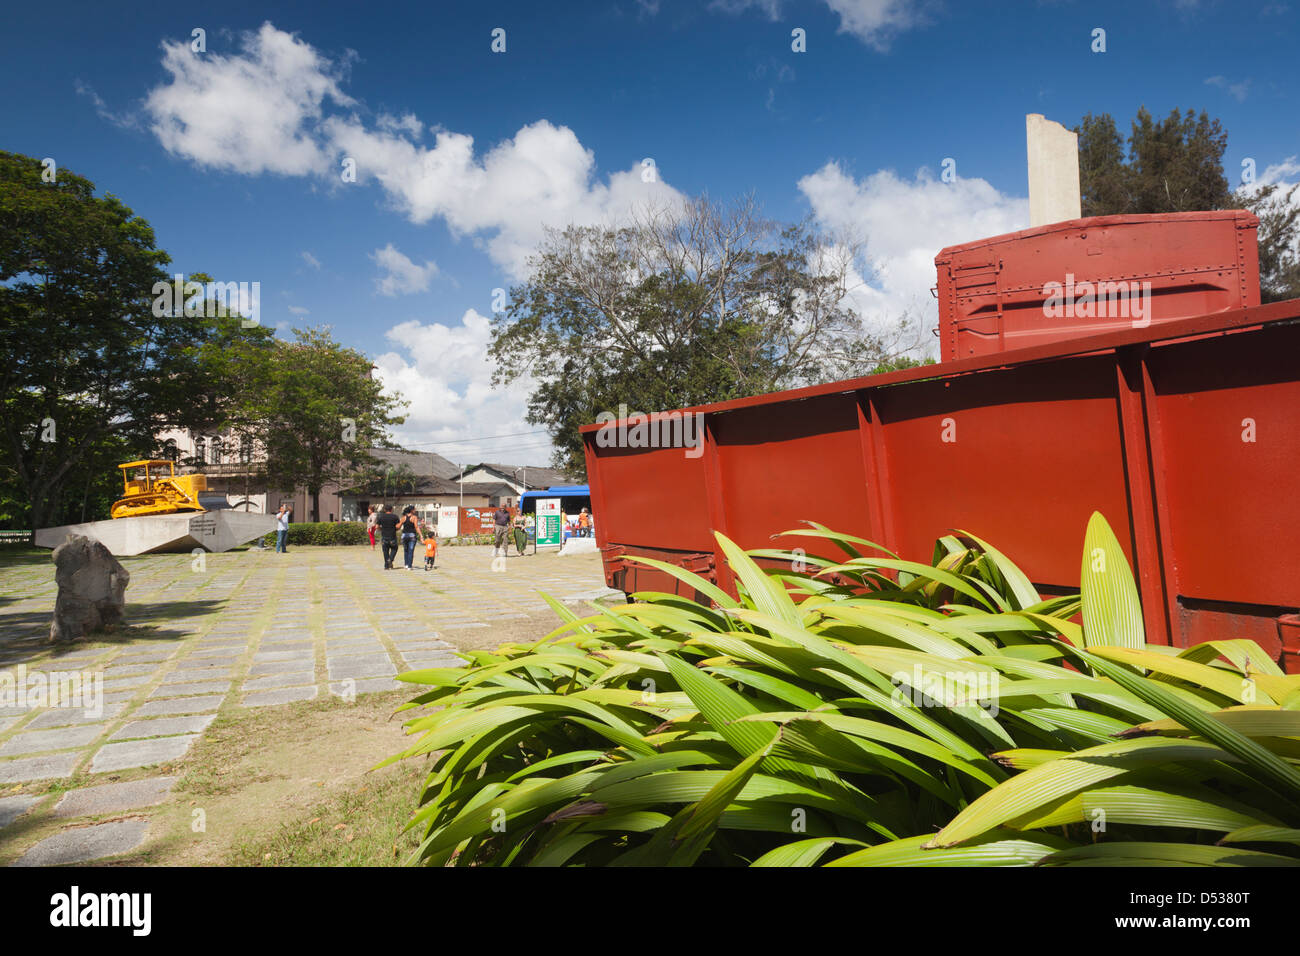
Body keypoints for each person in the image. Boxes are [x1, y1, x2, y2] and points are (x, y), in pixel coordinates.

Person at [375, 503, 400, 569]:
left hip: (384, 536)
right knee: (395, 548)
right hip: (392, 536)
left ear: (385, 510)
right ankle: (390, 560)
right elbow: (398, 526)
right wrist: (395, 529)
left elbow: (377, 526)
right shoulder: (395, 517)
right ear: (391, 510)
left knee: (385, 551)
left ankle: (386, 566)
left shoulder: (381, 517)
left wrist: (382, 529)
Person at [399, 505, 421, 570]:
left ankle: (406, 565)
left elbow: (399, 526)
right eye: (414, 509)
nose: (415, 510)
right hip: (412, 535)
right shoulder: (414, 517)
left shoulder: (403, 517)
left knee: (406, 550)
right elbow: (416, 527)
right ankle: (409, 566)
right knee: (411, 551)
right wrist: (421, 535)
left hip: (404, 535)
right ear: (412, 510)